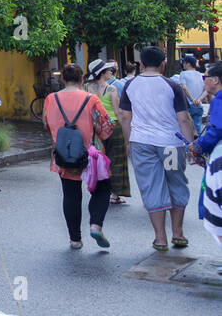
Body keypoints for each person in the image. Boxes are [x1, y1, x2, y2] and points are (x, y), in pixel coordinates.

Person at [119, 46, 198, 251]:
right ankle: (178, 233)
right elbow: (184, 118)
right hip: (170, 145)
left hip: (142, 144)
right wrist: (190, 146)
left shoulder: (130, 85)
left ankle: (160, 238)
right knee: (175, 183)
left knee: (151, 186)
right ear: (163, 64)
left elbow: (125, 116)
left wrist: (128, 142)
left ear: (141, 64)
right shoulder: (172, 85)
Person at [44, 63, 114, 250]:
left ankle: (75, 239)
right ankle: (96, 225)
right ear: (82, 79)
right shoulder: (91, 99)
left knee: (71, 194)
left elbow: (46, 124)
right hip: (90, 154)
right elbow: (105, 129)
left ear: (62, 79)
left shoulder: (51, 99)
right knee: (102, 188)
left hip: (63, 153)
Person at [86, 59, 131, 205]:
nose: (111, 72)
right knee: (116, 160)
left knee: (97, 160)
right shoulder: (111, 90)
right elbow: (118, 113)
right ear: (102, 73)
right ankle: (115, 194)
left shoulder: (86, 88)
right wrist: (127, 135)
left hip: (95, 128)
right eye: (108, 70)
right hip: (112, 127)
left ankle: (98, 189)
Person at [188, 63, 222, 251]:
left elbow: (217, 129)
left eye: (205, 77)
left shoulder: (219, 100)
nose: (203, 81)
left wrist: (198, 146)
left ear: (216, 80)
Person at [171, 54, 207, 136]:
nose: (183, 65)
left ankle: (189, 147)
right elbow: (206, 90)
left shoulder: (183, 74)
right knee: (198, 128)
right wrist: (199, 100)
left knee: (187, 130)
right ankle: (198, 146)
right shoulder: (200, 75)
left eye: (184, 63)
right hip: (198, 105)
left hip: (188, 105)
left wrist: (191, 99)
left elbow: (184, 87)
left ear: (188, 64)